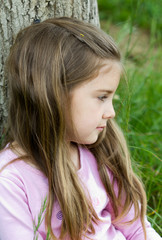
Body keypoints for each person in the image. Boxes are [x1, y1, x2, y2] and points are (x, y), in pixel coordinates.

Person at [0, 17, 161, 240]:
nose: (111, 112)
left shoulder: (99, 154)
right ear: (54, 94)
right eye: (102, 97)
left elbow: (136, 229)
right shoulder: (10, 181)